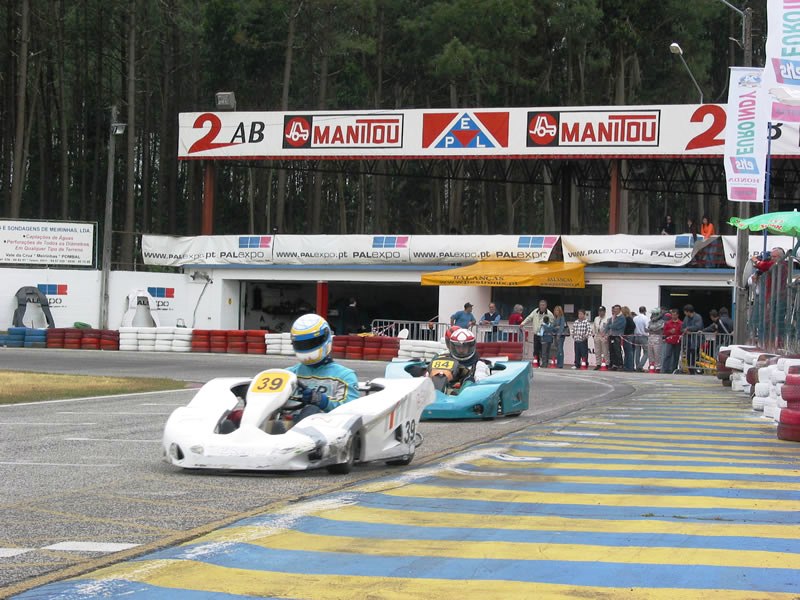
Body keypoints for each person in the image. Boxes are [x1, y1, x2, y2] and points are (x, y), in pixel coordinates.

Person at [285, 313, 359, 422]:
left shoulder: (345, 376)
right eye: (301, 344)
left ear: (325, 338)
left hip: (324, 430)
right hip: (281, 429)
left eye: (311, 343)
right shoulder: (288, 374)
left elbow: (349, 412)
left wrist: (323, 401)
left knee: (311, 410)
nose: (306, 348)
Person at [521, 300, 553, 365]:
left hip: (544, 335)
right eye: (541, 305)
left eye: (543, 305)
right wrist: (523, 323)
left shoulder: (549, 314)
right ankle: (536, 362)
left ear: (546, 306)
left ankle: (544, 363)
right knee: (536, 349)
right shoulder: (535, 311)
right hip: (536, 334)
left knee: (544, 350)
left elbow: (552, 323)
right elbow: (529, 318)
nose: (542, 306)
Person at [681, 304, 703, 373]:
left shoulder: (698, 317)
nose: (684, 313)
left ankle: (695, 370)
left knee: (694, 356)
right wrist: (685, 330)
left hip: (695, 340)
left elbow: (698, 326)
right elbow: (682, 327)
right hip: (688, 341)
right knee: (688, 356)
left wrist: (688, 329)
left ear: (688, 311)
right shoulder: (686, 318)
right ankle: (691, 371)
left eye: (685, 312)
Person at [662, 309, 683, 374]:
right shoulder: (668, 323)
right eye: (672, 315)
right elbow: (664, 332)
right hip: (669, 341)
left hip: (677, 341)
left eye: (675, 315)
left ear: (678, 315)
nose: (673, 316)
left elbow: (682, 332)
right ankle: (665, 369)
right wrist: (669, 331)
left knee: (676, 356)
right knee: (667, 355)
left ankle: (674, 369)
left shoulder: (681, 323)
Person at [606, 305, 625, 370]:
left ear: (620, 310)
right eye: (614, 309)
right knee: (612, 351)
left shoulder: (621, 318)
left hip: (617, 336)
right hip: (611, 336)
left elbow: (616, 326)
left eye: (616, 309)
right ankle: (613, 364)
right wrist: (606, 330)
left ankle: (620, 364)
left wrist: (610, 326)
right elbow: (607, 326)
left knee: (617, 351)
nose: (615, 311)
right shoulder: (612, 317)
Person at [646, 307, 664, 372]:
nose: (652, 316)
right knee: (650, 354)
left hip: (657, 338)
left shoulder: (661, 321)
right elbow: (648, 328)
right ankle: (651, 366)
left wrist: (651, 328)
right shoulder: (650, 321)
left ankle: (658, 367)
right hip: (650, 338)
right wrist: (651, 328)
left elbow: (656, 328)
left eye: (654, 314)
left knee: (657, 353)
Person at [633, 306, 649, 372]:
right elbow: (646, 328)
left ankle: (637, 366)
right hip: (643, 336)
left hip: (636, 336)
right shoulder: (645, 318)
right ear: (645, 311)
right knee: (647, 352)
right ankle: (640, 366)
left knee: (637, 352)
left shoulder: (635, 318)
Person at [621, 306, 636, 372]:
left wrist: (627, 332)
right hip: (626, 336)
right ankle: (626, 365)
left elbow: (633, 326)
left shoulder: (628, 318)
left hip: (628, 336)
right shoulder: (626, 318)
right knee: (626, 351)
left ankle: (629, 366)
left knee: (629, 351)